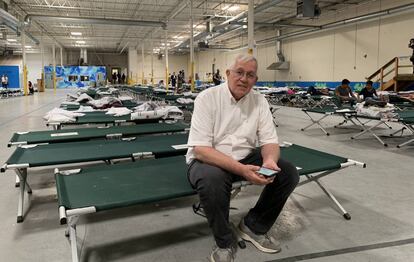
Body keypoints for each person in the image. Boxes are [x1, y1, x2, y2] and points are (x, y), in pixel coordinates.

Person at [187, 54, 299, 262]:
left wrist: (269, 162)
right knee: (212, 180)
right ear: (228, 74)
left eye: (250, 75)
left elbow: (269, 142)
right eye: (239, 72)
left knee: (288, 173)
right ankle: (224, 241)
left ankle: (254, 226)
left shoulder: (259, 101)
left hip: (245, 155)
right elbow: (201, 149)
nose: (243, 78)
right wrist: (242, 170)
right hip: (209, 158)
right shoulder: (207, 98)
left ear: (255, 80)